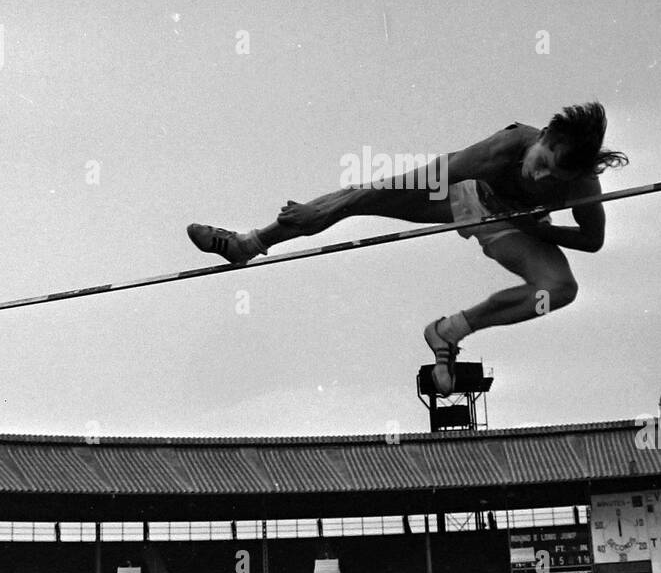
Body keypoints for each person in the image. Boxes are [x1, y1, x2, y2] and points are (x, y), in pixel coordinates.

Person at [187, 102, 627, 394]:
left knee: (560, 288)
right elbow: (417, 179)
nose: (544, 180)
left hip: (513, 228)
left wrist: (532, 225)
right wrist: (340, 204)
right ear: (543, 136)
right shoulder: (505, 147)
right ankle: (248, 243)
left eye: (558, 180)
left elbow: (592, 241)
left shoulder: (584, 180)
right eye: (544, 165)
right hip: (462, 195)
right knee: (360, 197)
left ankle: (449, 331)